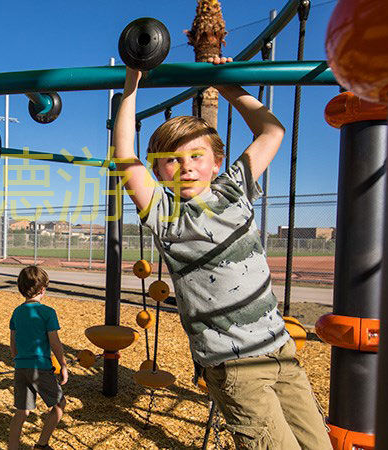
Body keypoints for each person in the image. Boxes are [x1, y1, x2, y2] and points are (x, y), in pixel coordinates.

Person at [113, 59, 332, 449]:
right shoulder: (166, 214)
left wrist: (229, 87)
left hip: (280, 349)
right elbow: (125, 155)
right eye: (172, 160)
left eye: (196, 156)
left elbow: (271, 131)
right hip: (235, 366)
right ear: (159, 172)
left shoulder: (235, 188)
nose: (186, 167)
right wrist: (131, 87)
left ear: (217, 162)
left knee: (320, 444)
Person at [7, 266, 68, 450]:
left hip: (21, 368)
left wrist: (17, 359)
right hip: (40, 368)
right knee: (59, 404)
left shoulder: (17, 312)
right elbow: (54, 342)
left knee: (22, 411)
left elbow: (13, 341)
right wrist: (63, 364)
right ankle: (41, 445)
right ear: (42, 289)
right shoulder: (47, 312)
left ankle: (12, 447)